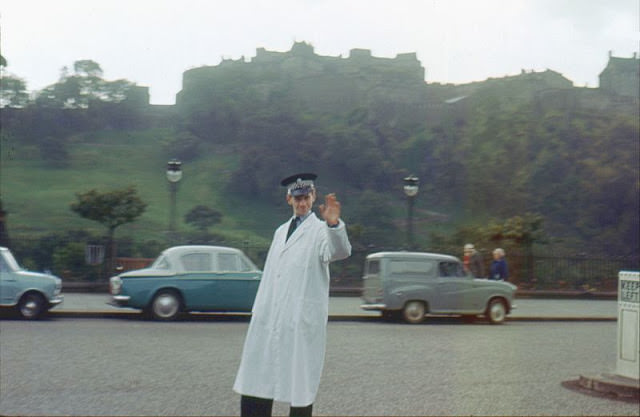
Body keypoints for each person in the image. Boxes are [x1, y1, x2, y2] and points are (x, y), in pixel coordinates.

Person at [233, 173, 352, 417]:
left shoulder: (321, 232)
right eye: (297, 198)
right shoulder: (279, 232)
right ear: (289, 199)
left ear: (313, 197)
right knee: (258, 380)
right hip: (271, 319)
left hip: (299, 322)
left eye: (306, 197)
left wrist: (333, 225)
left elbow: (339, 251)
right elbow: (272, 277)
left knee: (299, 386)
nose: (302, 203)